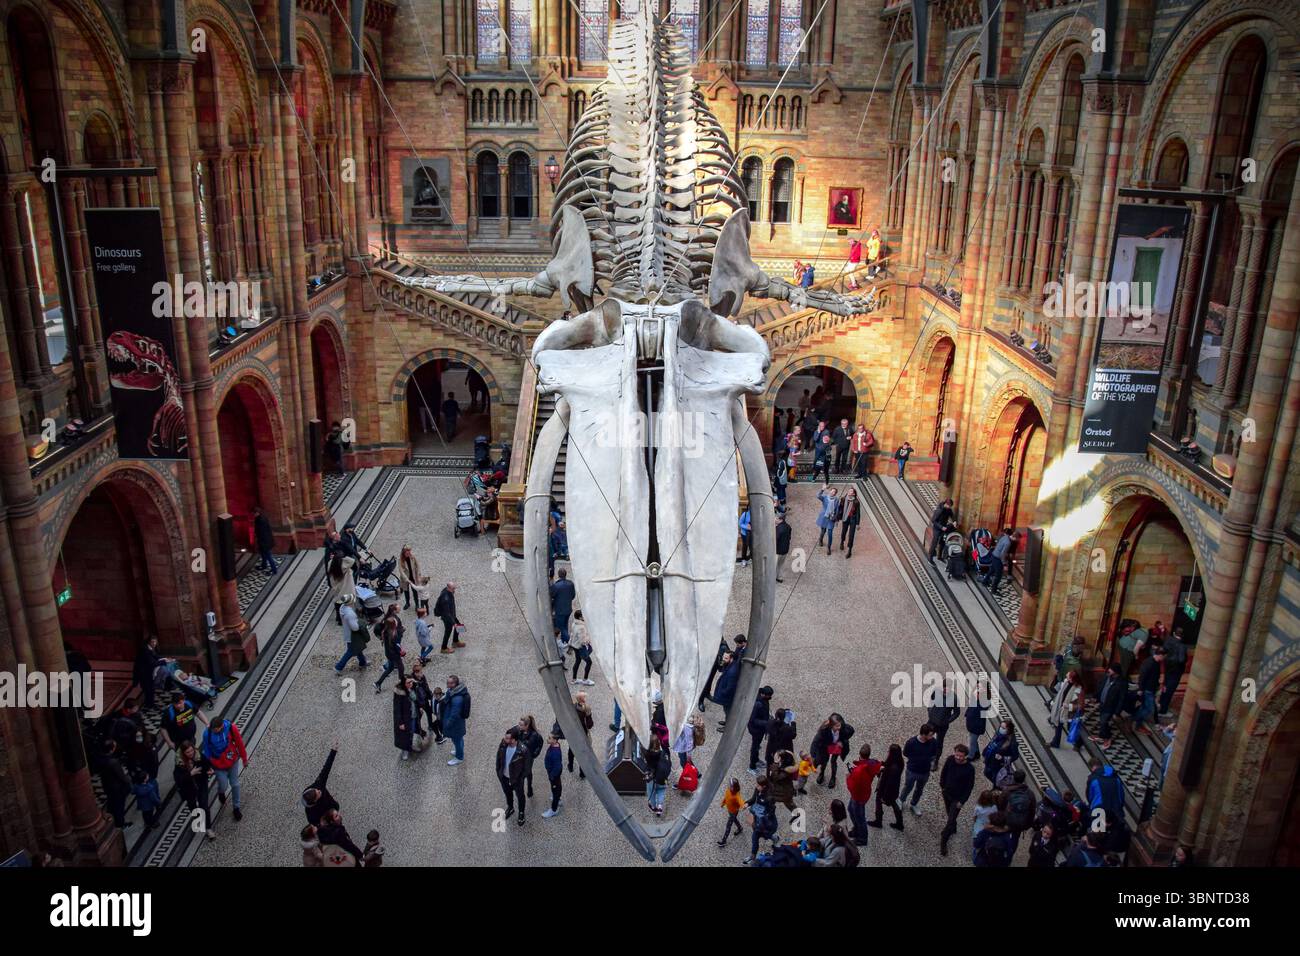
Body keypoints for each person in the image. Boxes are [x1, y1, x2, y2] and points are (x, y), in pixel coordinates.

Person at [200, 715, 249, 822]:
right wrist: (207, 766)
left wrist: (244, 758)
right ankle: (221, 792)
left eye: (216, 729)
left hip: (232, 761)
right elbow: (207, 750)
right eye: (213, 729)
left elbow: (239, 743)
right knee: (223, 785)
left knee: (235, 784)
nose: (214, 731)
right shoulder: (207, 734)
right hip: (218, 764)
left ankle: (236, 807)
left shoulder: (231, 728)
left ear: (222, 726)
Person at [173, 741, 216, 841]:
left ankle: (208, 828)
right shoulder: (179, 763)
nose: (191, 753)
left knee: (204, 806)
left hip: (201, 784)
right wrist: (190, 774)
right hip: (188, 788)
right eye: (188, 752)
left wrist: (210, 770)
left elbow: (207, 764)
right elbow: (178, 779)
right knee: (192, 805)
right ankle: (198, 818)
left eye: (191, 750)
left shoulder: (198, 755)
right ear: (183, 753)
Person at [938, 744, 975, 856]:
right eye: (957, 755)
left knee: (950, 819)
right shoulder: (950, 759)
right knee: (949, 813)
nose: (958, 758)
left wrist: (962, 801)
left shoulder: (969, 769)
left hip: (957, 798)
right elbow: (944, 773)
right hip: (947, 793)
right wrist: (943, 786)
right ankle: (953, 826)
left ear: (965, 756)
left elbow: (969, 787)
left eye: (961, 756)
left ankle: (944, 841)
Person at [845, 744, 881, 846]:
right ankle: (856, 830)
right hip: (865, 793)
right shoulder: (872, 764)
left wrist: (848, 777)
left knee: (860, 817)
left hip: (858, 796)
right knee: (851, 810)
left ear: (859, 754)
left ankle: (862, 838)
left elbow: (852, 786)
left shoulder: (859, 771)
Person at [900, 724, 939, 814]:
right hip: (912, 770)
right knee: (908, 787)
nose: (932, 736)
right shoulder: (911, 742)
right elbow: (905, 753)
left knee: (919, 789)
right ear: (923, 734)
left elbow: (934, 753)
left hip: (925, 771)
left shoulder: (933, 742)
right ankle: (901, 800)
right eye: (930, 735)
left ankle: (914, 804)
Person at [301, 743, 341, 828]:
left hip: (333, 807)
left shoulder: (318, 785)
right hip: (330, 819)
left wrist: (333, 751)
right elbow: (315, 823)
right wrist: (324, 824)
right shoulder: (311, 813)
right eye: (318, 793)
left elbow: (326, 769)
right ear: (314, 802)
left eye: (317, 790)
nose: (319, 791)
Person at [810, 713, 855, 787]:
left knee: (833, 761)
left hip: (836, 748)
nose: (839, 727)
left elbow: (851, 731)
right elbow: (815, 742)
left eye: (840, 725)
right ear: (831, 725)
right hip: (825, 747)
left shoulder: (842, 726)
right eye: (837, 726)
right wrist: (813, 755)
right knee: (824, 761)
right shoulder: (823, 730)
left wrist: (842, 742)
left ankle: (833, 777)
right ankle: (822, 773)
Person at [496, 728, 529, 825]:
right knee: (508, 794)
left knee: (520, 796)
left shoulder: (522, 750)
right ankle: (510, 807)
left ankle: (521, 813)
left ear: (514, 740)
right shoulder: (503, 745)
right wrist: (499, 772)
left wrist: (520, 778)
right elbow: (498, 759)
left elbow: (527, 767)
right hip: (504, 778)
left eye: (507, 738)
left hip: (517, 780)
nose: (504, 739)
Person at [869, 743, 905, 830]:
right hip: (894, 791)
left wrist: (884, 797)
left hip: (885, 791)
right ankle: (899, 823)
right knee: (894, 804)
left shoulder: (893, 768)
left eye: (889, 751)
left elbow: (889, 785)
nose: (888, 752)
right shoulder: (899, 762)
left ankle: (878, 821)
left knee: (878, 802)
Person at [926, 681, 961, 770]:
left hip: (942, 725)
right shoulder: (937, 691)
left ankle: (935, 760)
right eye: (944, 687)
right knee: (926, 737)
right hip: (932, 721)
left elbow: (956, 713)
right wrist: (930, 710)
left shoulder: (954, 698)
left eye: (947, 687)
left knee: (939, 742)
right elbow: (931, 699)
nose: (946, 689)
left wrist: (948, 721)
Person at [1092, 662, 1127, 750]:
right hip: (1103, 703)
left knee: (1104, 721)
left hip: (1111, 706)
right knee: (1102, 720)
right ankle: (1101, 735)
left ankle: (1107, 738)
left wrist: (1117, 712)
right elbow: (1101, 686)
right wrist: (1096, 696)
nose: (1108, 670)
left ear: (1116, 672)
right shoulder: (1107, 676)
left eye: (1110, 669)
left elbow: (1122, 699)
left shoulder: (1122, 683)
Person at [744, 777, 779, 864]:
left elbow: (771, 811)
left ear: (764, 786)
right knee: (755, 837)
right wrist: (747, 803)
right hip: (758, 821)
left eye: (758, 785)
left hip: (766, 823)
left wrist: (759, 813)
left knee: (765, 835)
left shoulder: (769, 797)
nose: (756, 786)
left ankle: (774, 838)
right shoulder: (757, 789)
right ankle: (753, 856)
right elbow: (753, 799)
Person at [334, 595, 369, 673]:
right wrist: (361, 624)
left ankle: (363, 662)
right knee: (350, 651)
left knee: (358, 648)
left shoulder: (342, 607)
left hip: (347, 633)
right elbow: (355, 628)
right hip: (353, 636)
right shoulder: (350, 614)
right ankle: (338, 667)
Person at [1049, 670, 1083, 749]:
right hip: (1061, 709)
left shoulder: (1078, 690)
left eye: (1068, 677)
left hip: (1070, 713)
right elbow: (1061, 694)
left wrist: (1068, 706)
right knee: (1058, 726)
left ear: (1072, 679)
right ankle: (1055, 742)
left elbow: (1080, 706)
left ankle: (1079, 742)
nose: (1066, 677)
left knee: (1070, 727)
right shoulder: (1066, 683)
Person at [1158, 627, 1188, 716]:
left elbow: (1163, 650)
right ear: (1182, 636)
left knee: (1165, 686)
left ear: (1174, 633)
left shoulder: (1168, 640)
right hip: (1176, 671)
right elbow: (1181, 659)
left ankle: (1160, 702)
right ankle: (1163, 710)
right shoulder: (1182, 646)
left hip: (1167, 668)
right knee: (1170, 690)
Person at [982, 718, 1019, 786]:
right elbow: (992, 743)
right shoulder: (998, 734)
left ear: (1009, 730)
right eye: (1001, 727)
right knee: (987, 773)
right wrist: (986, 750)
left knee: (996, 779)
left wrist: (1002, 758)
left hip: (999, 765)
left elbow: (1015, 756)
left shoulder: (1012, 743)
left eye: (1003, 728)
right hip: (990, 759)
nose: (1001, 729)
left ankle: (997, 789)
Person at [442, 675, 470, 765]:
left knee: (457, 740)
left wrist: (447, 724)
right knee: (458, 739)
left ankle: (459, 757)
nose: (448, 684)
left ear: (455, 684)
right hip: (458, 724)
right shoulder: (454, 691)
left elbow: (454, 715)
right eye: (448, 682)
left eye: (450, 683)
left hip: (455, 725)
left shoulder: (457, 698)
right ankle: (459, 751)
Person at [747, 685, 774, 773]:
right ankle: (752, 766)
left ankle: (756, 760)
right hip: (756, 730)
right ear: (763, 694)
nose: (770, 697)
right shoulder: (757, 704)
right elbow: (752, 720)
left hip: (760, 729)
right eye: (768, 695)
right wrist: (766, 722)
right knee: (755, 747)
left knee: (757, 745)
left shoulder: (763, 700)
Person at [132, 636, 163, 710]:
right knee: (148, 689)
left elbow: (155, 656)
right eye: (153, 642)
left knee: (149, 689)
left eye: (155, 641)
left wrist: (162, 659)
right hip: (143, 673)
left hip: (147, 672)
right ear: (149, 642)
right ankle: (150, 705)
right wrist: (163, 661)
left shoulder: (150, 648)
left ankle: (149, 703)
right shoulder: (145, 650)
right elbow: (151, 662)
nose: (154, 643)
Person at [643, 736, 671, 816]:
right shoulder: (663, 753)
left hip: (652, 779)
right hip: (662, 778)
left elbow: (647, 765)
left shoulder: (648, 754)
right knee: (661, 791)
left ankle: (653, 806)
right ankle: (659, 806)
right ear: (659, 744)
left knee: (651, 792)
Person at [569, 692, 594, 779]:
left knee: (571, 750)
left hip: (573, 733)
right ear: (582, 699)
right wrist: (589, 715)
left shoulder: (572, 707)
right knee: (583, 754)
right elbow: (590, 725)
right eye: (585, 697)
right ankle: (582, 773)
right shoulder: (585, 710)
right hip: (582, 734)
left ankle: (570, 766)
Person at [434, 582, 464, 654]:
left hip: (451, 614)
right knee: (448, 632)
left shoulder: (447, 590)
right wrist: (453, 623)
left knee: (459, 626)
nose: (454, 590)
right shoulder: (445, 599)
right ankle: (443, 648)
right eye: (453, 589)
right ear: (448, 588)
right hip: (447, 617)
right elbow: (446, 613)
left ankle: (455, 641)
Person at [549, 568, 577, 646]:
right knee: (565, 625)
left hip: (560, 610)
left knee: (561, 628)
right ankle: (564, 641)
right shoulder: (571, 583)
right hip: (568, 608)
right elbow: (573, 595)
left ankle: (571, 644)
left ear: (558, 575)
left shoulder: (556, 586)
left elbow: (551, 595)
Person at [398, 545, 430, 611]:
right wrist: (407, 580)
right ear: (404, 553)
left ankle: (417, 604)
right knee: (406, 591)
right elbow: (401, 571)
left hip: (413, 577)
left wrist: (418, 575)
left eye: (410, 552)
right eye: (408, 553)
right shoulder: (400, 560)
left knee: (415, 591)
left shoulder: (412, 557)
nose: (409, 553)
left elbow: (417, 566)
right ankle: (407, 603)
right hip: (405, 579)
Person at [718, 778, 746, 847]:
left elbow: (740, 801)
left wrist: (743, 805)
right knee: (735, 819)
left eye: (731, 786)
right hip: (730, 811)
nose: (730, 787)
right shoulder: (728, 790)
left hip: (734, 812)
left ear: (735, 787)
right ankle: (740, 828)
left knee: (728, 826)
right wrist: (723, 803)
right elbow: (726, 797)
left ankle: (724, 841)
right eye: (730, 785)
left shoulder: (736, 796)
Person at [393, 677, 416, 761]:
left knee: (411, 732)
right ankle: (405, 750)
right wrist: (400, 722)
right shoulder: (399, 695)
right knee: (404, 735)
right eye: (408, 683)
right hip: (405, 718)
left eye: (411, 682)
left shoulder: (411, 689)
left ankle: (409, 746)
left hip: (413, 715)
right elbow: (397, 710)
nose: (410, 684)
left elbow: (415, 699)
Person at [568, 611, 594, 685]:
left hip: (575, 646)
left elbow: (572, 634)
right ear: (580, 617)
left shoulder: (574, 623)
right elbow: (583, 641)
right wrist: (589, 639)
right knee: (589, 662)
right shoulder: (581, 627)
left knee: (578, 661)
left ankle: (574, 679)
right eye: (583, 616)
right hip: (580, 647)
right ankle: (585, 679)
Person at [542, 733, 564, 818]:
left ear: (555, 740)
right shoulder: (554, 745)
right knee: (556, 788)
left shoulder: (556, 753)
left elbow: (557, 767)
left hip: (554, 775)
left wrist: (552, 776)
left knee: (555, 790)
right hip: (552, 774)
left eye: (549, 738)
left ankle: (553, 810)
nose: (547, 739)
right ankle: (558, 799)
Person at [816, 483, 840, 553]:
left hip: (831, 519)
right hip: (824, 517)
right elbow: (818, 496)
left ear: (835, 494)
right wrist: (822, 489)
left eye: (834, 492)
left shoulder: (836, 500)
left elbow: (837, 510)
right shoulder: (825, 498)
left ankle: (829, 547)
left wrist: (836, 519)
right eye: (832, 491)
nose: (832, 492)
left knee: (830, 533)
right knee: (823, 531)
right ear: (830, 491)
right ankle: (821, 539)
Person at [838, 488, 861, 558]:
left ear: (853, 494)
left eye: (851, 491)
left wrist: (857, 523)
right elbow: (840, 509)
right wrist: (838, 518)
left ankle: (849, 550)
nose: (849, 492)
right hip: (845, 518)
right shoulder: (843, 499)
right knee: (843, 532)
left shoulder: (856, 502)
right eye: (849, 490)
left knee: (851, 535)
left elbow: (858, 513)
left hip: (852, 519)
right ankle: (842, 541)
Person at [253, 505, 277, 574]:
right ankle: (264, 565)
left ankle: (274, 570)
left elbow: (263, 533)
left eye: (254, 513)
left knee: (268, 555)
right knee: (263, 554)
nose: (253, 515)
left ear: (257, 513)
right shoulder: (259, 518)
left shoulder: (261, 520)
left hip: (265, 542)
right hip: (262, 541)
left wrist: (262, 542)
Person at [775, 508, 792, 581]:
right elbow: (789, 537)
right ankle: (779, 577)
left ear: (780, 519)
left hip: (777, 551)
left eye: (776, 518)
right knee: (781, 565)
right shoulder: (788, 527)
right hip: (785, 550)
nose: (775, 519)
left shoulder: (778, 529)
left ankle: (772, 578)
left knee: (774, 565)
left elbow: (775, 540)